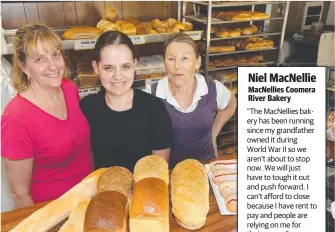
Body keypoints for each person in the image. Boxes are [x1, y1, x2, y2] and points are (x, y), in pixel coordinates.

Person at [1, 24, 94, 208]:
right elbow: (20, 194)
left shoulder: (69, 89)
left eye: (55, 55)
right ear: (24, 66)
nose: (53, 66)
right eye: (40, 59)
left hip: (88, 198)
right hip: (52, 210)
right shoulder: (15, 119)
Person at [80, 31, 172, 172]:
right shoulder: (86, 108)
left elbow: (158, 171)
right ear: (96, 67)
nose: (118, 76)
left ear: (135, 64)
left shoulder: (154, 109)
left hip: (144, 191)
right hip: (100, 191)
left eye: (125, 66)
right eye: (108, 68)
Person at [147, 33, 237, 168]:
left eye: (185, 58)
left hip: (206, 169)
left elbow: (230, 105)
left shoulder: (213, 89)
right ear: (164, 63)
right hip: (170, 174)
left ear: (197, 63)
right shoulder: (151, 95)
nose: (177, 66)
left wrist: (213, 134)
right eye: (171, 59)